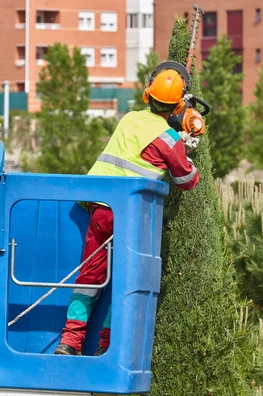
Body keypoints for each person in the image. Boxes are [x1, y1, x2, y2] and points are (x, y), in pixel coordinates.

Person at [54, 65, 201, 357]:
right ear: (179, 105)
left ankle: (69, 342)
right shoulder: (169, 140)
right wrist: (186, 142)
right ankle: (106, 346)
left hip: (100, 207)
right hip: (131, 215)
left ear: (148, 95)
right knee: (126, 279)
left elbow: (141, 145)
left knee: (90, 277)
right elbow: (187, 181)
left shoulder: (130, 119)